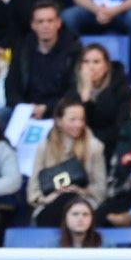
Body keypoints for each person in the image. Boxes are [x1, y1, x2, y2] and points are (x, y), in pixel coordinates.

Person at [25, 95, 106, 227]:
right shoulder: (44, 146)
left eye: (81, 119)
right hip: (50, 203)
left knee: (72, 205)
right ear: (58, 121)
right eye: (72, 119)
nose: (78, 124)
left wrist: (79, 191)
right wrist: (49, 197)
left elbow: (100, 189)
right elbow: (33, 189)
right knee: (62, 202)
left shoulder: (95, 147)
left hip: (85, 204)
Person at [3, 0, 79, 116]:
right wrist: (25, 108)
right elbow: (11, 88)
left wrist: (47, 108)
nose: (45, 25)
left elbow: (73, 91)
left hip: (60, 112)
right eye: (40, 21)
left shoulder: (73, 51)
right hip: (26, 111)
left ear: (58, 23)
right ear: (33, 25)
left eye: (50, 21)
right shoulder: (23, 50)